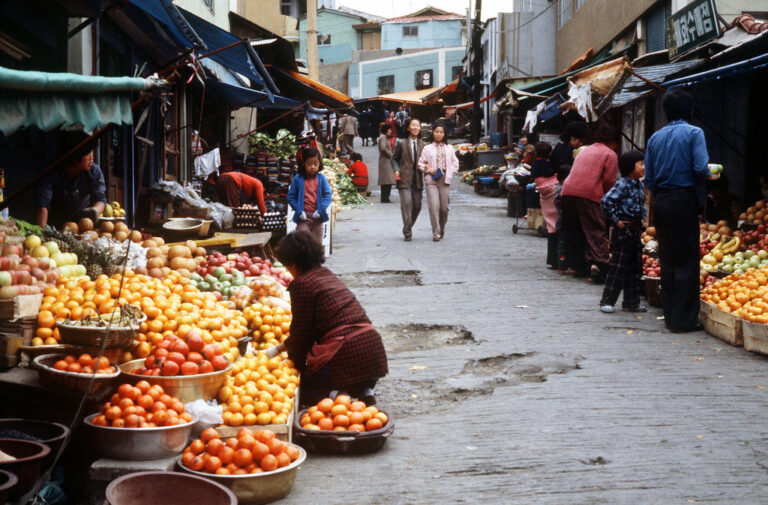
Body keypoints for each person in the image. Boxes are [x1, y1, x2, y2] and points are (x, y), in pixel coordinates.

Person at [266, 231, 388, 405]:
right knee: (348, 372)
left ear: (292, 264)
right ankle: (363, 389)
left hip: (347, 353)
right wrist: (278, 349)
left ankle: (336, 394)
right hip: (373, 353)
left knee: (308, 390)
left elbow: (302, 335)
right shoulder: (326, 274)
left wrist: (295, 368)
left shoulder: (302, 284)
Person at [645, 88, 710, 332]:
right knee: (686, 261)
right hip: (683, 200)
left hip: (661, 202)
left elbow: (649, 178)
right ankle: (684, 320)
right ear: (690, 110)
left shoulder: (655, 138)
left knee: (668, 259)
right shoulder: (695, 133)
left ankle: (671, 315)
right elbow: (701, 167)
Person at [560, 125, 620, 282]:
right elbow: (609, 180)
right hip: (589, 194)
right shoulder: (610, 154)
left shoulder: (586, 150)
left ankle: (579, 266)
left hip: (567, 192)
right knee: (595, 229)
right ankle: (598, 266)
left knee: (576, 230)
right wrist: (606, 198)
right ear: (613, 142)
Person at [599, 150, 647, 314]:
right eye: (640, 164)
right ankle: (607, 301)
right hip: (623, 230)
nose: (643, 167)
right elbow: (606, 201)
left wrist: (642, 218)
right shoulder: (622, 184)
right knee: (618, 266)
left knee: (634, 267)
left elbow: (642, 204)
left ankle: (631, 302)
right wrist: (616, 221)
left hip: (635, 229)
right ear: (629, 167)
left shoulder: (639, 184)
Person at [35, 130, 106, 227]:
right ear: (75, 156)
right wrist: (41, 231)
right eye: (87, 153)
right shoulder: (51, 171)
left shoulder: (94, 171)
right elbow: (43, 204)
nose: (91, 157)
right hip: (55, 225)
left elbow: (100, 199)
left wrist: (95, 210)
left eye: (92, 152)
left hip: (81, 226)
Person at [418, 123, 459, 241]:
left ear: (444, 134)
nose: (439, 134)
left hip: (444, 179)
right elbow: (421, 163)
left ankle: (442, 227)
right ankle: (436, 232)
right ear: (433, 133)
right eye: (436, 132)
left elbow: (455, 163)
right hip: (431, 179)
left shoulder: (449, 148)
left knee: (444, 208)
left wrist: (450, 172)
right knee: (434, 206)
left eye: (441, 132)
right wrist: (428, 169)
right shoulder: (427, 148)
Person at [287, 147, 333, 243]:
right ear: (303, 164)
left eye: (315, 164)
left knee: (317, 244)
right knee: (303, 242)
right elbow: (291, 197)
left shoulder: (321, 178)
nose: (312, 167)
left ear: (319, 164)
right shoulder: (298, 179)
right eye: (309, 164)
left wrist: (320, 210)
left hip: (318, 218)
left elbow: (328, 195)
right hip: (303, 218)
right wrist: (299, 211)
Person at [391, 118, 426, 241]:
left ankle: (408, 226)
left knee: (417, 206)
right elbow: (394, 159)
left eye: (418, 125)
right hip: (404, 179)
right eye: (413, 125)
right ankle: (407, 232)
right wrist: (396, 169)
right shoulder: (401, 143)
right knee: (406, 204)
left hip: (418, 180)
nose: (416, 128)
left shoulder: (423, 145)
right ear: (408, 128)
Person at [530, 141, 558, 267]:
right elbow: (550, 173)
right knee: (555, 224)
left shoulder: (536, 164)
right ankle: (557, 258)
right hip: (551, 192)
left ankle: (552, 259)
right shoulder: (544, 164)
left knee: (551, 224)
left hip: (544, 193)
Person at [554, 165, 571, 273]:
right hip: (564, 220)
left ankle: (565, 264)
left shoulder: (560, 187)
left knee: (565, 243)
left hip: (564, 219)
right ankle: (562, 265)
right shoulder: (561, 189)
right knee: (563, 244)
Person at [377, 124, 395, 203]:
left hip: (386, 160)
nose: (390, 131)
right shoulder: (383, 138)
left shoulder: (383, 137)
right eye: (389, 129)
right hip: (385, 160)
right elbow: (383, 148)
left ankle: (385, 197)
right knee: (386, 180)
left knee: (387, 180)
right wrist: (390, 154)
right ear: (386, 130)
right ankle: (384, 198)